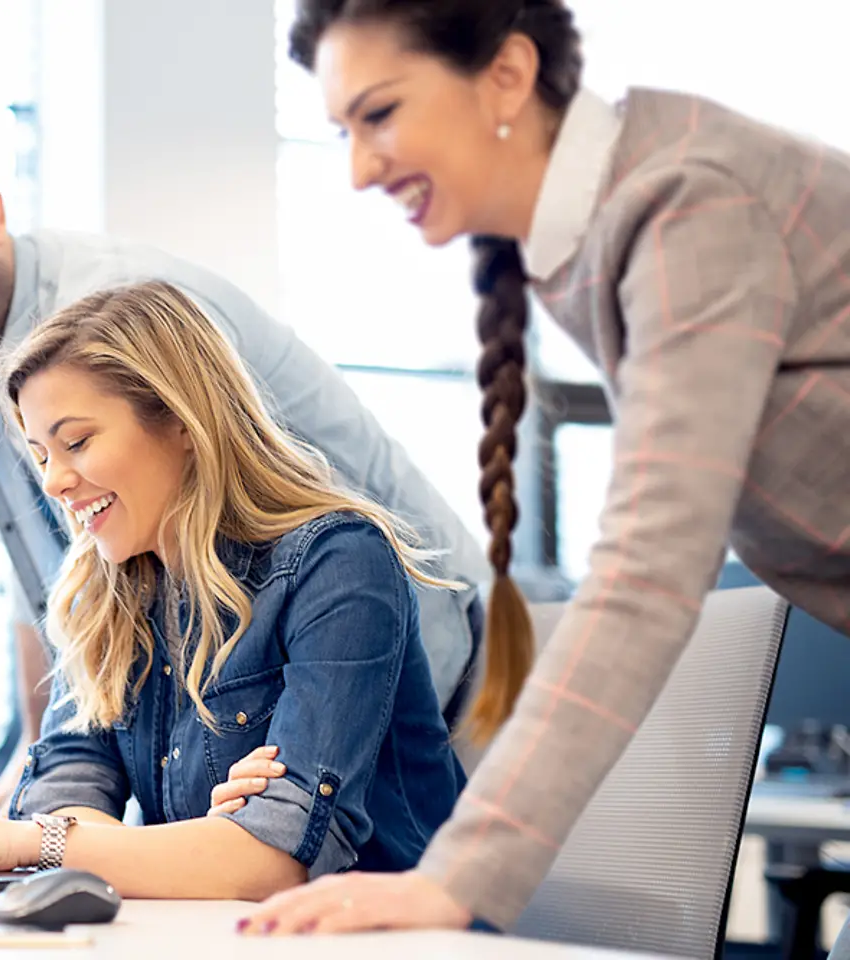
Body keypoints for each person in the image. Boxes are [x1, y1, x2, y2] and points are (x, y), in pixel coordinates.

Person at [235, 0, 850, 947]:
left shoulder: (687, 201)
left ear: (508, 75)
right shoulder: (609, 220)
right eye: (343, 132)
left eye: (381, 113)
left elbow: (647, 571)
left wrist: (456, 878)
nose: (359, 169)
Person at [0, 111, 489, 811]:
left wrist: (47, 831)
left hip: (395, 653)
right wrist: (32, 773)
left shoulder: (109, 320)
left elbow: (272, 839)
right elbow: (51, 583)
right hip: (223, 721)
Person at [0, 280, 465, 899]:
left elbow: (275, 863)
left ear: (183, 422)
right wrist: (210, 845)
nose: (54, 482)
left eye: (76, 442)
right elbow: (67, 795)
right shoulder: (102, 597)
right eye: (40, 454)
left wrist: (39, 842)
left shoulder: (338, 563)